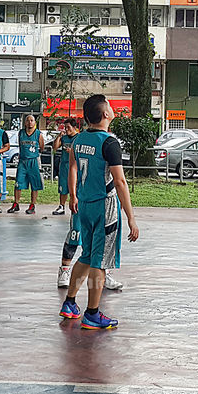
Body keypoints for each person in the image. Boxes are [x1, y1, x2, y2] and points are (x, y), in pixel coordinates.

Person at [59, 95, 139, 330]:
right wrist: (131, 217)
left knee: (85, 256)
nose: (113, 109)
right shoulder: (109, 143)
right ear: (105, 114)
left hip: (84, 204)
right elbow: (120, 181)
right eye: (110, 107)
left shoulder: (78, 139)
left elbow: (72, 168)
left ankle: (70, 302)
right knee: (100, 261)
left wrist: (73, 195)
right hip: (105, 206)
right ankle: (92, 313)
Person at [54, 116, 124, 291]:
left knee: (93, 249)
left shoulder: (86, 140)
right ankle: (65, 271)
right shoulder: (97, 141)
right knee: (78, 236)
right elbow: (120, 180)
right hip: (91, 199)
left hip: (92, 199)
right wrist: (72, 195)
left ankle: (72, 298)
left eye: (69, 126)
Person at [7, 114, 44, 214]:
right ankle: (16, 203)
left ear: (35, 122)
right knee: (18, 183)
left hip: (33, 161)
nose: (29, 122)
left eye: (32, 120)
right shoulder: (21, 133)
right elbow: (20, 145)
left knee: (34, 184)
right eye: (28, 120)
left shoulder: (38, 134)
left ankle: (32, 205)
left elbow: (42, 147)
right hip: (22, 161)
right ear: (25, 122)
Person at [52, 117, 79, 215]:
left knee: (75, 186)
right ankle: (61, 206)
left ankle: (76, 205)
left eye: (68, 127)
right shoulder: (64, 138)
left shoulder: (78, 138)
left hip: (74, 165)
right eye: (65, 127)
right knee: (63, 186)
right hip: (64, 164)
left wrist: (72, 151)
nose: (66, 129)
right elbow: (55, 147)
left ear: (74, 127)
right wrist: (59, 136)